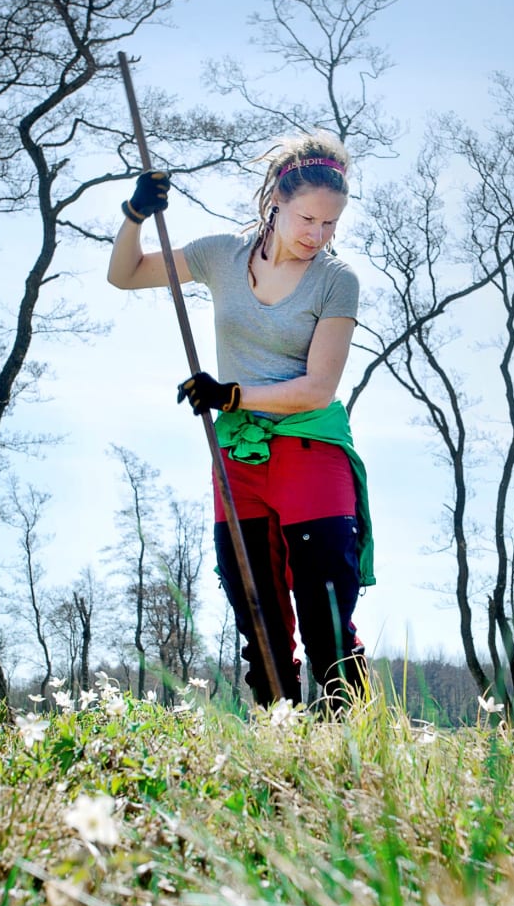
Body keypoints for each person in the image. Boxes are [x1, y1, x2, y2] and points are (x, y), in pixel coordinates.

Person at [107, 134, 372, 710]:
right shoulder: (220, 257)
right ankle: (282, 735)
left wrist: (231, 394)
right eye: (307, 218)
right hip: (238, 457)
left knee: (325, 611)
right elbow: (124, 276)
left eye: (330, 224)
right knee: (258, 614)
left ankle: (346, 740)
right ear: (276, 201)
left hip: (311, 450)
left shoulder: (336, 280)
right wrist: (135, 215)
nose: (316, 235)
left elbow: (317, 388)